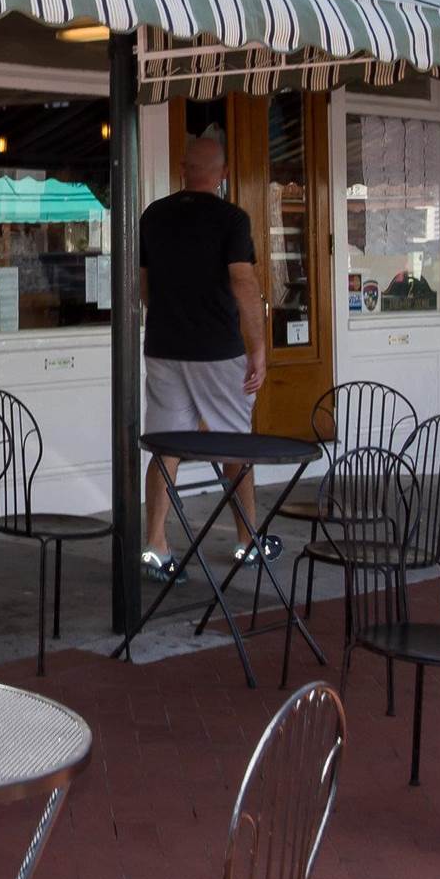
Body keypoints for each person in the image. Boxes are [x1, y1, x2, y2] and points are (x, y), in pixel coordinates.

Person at [138, 126, 268, 580]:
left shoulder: (154, 215)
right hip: (217, 349)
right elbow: (243, 282)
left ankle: (156, 544)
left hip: (164, 347)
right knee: (234, 442)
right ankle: (247, 540)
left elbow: (144, 285)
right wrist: (258, 347)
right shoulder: (232, 219)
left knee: (165, 447)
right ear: (223, 173)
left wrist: (169, 317)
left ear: (183, 170)